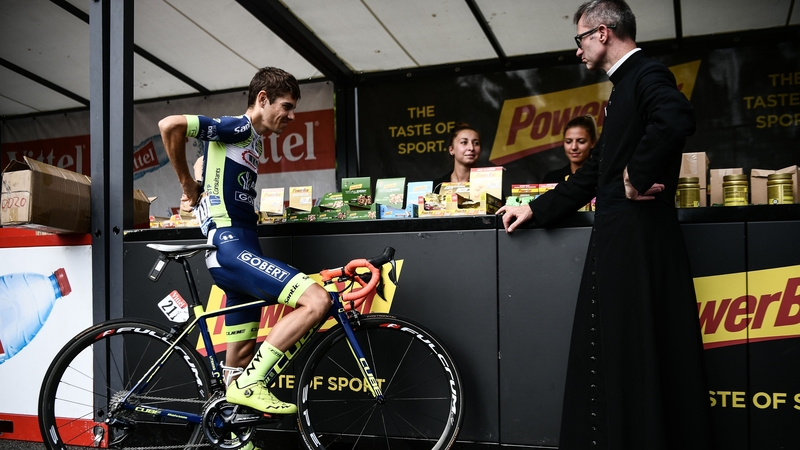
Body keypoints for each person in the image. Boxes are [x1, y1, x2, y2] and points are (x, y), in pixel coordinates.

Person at [497, 1, 714, 448]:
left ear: (601, 33)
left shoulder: (646, 74)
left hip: (636, 242)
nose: (577, 51)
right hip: (623, 240)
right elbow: (595, 171)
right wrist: (535, 208)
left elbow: (676, 118)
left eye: (579, 39)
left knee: (634, 351)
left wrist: (636, 173)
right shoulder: (622, 87)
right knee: (622, 354)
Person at [160, 67, 330, 417]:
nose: (292, 116)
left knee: (237, 358)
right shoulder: (239, 127)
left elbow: (207, 161)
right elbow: (170, 125)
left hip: (241, 250)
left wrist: (199, 174)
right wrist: (187, 184)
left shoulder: (253, 139)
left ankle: (231, 429)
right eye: (286, 106)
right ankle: (252, 384)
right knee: (316, 300)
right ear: (262, 99)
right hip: (231, 250)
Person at [542, 114, 597, 183]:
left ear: (593, 143)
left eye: (581, 141)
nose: (573, 147)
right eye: (568, 141)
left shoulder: (602, 178)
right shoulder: (552, 178)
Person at [432, 123, 481, 193]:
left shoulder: (489, 185)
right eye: (464, 142)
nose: (471, 148)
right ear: (451, 150)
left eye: (476, 143)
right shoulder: (436, 187)